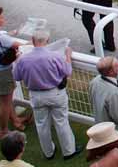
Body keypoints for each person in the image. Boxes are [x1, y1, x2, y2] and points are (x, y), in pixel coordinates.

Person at [11, 29, 79, 160]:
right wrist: (68, 56)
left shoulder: (23, 59)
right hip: (55, 94)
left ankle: (48, 152)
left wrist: (17, 61)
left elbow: (17, 76)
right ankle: (69, 151)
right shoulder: (55, 56)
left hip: (36, 96)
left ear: (33, 40)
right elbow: (68, 71)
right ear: (47, 41)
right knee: (61, 122)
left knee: (41, 124)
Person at [0, 6, 30, 140]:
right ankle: (3, 130)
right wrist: (35, 42)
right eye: (1, 17)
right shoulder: (1, 37)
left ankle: (15, 120)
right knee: (5, 103)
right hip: (2, 73)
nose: (4, 18)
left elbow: (1, 37)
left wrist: (12, 32)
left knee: (5, 100)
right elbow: (20, 46)